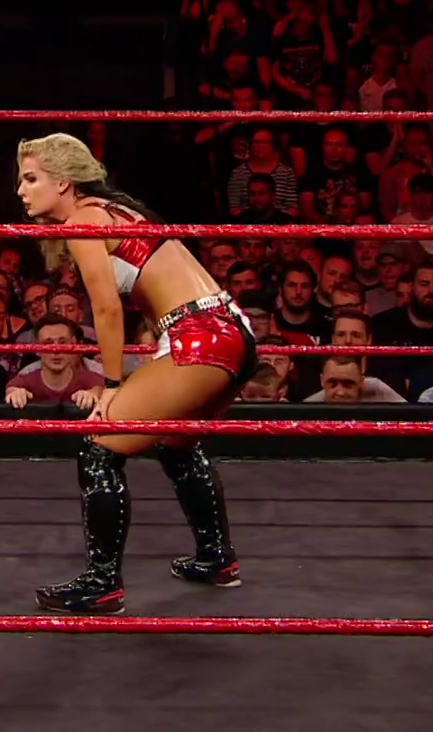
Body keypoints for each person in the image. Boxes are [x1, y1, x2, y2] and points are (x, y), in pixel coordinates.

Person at [16, 132, 256, 614]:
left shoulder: (85, 219)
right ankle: (216, 558)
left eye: (30, 178)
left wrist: (110, 385)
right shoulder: (118, 210)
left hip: (199, 335)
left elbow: (106, 309)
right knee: (176, 442)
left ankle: (102, 583)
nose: (20, 191)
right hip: (231, 329)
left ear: (63, 182)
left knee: (99, 446)